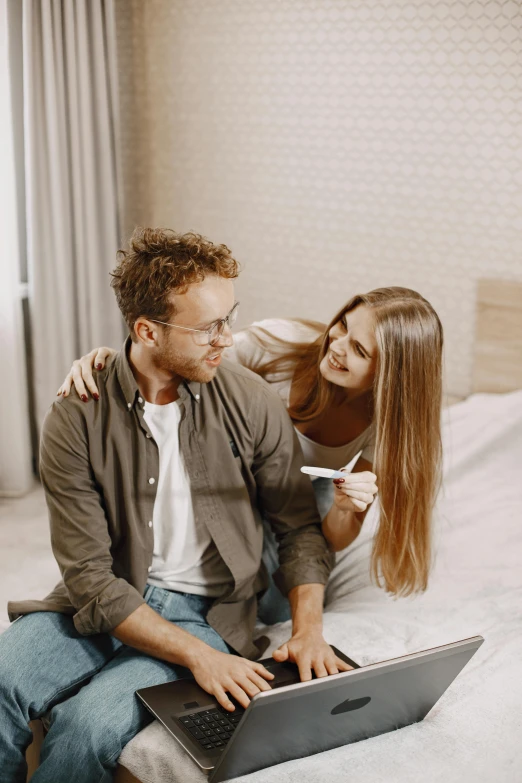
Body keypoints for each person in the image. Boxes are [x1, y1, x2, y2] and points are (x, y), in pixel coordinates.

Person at [0, 228, 356, 783]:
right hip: (108, 595)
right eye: (209, 327)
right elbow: (91, 577)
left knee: (89, 725)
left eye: (230, 318)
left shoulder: (250, 401)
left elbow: (298, 529)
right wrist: (197, 659)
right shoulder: (76, 416)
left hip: (207, 610)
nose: (228, 339)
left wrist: (306, 628)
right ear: (147, 330)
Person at [61, 285, 443, 623]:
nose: (337, 346)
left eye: (359, 350)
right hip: (232, 467)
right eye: (342, 326)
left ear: (389, 375)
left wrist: (346, 507)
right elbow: (182, 361)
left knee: (273, 609)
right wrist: (116, 364)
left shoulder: (385, 427)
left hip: (301, 489)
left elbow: (336, 537)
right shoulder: (278, 345)